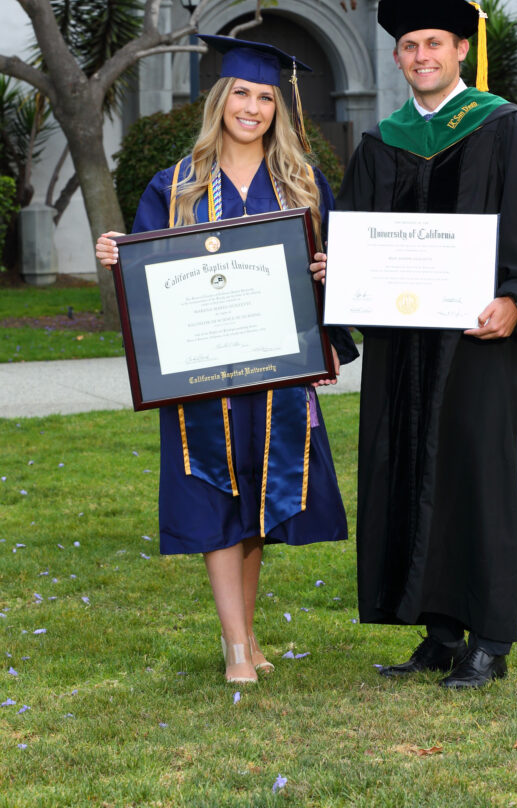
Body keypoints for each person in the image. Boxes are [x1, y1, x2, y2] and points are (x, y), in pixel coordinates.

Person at [311, 0, 517, 689]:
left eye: (433, 43)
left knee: (476, 479)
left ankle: (489, 640)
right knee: (404, 469)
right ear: (397, 57)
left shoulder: (507, 129)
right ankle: (436, 632)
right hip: (404, 343)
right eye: (408, 46)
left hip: (478, 338)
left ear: (462, 50)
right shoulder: (382, 143)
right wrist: (337, 271)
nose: (420, 55)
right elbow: (368, 239)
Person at [96, 35, 357, 685]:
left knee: (259, 503)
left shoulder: (302, 182)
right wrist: (118, 256)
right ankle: (236, 646)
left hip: (277, 372)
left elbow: (328, 274)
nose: (252, 106)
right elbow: (150, 280)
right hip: (202, 374)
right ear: (219, 101)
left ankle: (246, 633)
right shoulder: (176, 185)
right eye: (241, 92)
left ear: (279, 109)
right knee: (216, 494)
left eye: (265, 97)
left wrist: (332, 271)